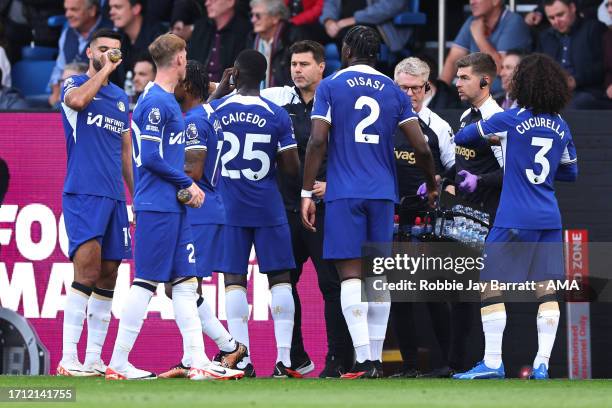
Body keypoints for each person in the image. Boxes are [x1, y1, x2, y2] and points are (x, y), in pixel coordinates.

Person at [302, 25, 437, 379]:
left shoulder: (331, 85)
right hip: (382, 193)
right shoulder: (394, 91)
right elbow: (421, 146)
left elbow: (317, 141)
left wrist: (306, 191)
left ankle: (363, 361)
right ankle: (375, 359)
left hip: (345, 191)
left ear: (347, 51)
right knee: (377, 279)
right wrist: (432, 183)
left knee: (350, 277)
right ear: (377, 55)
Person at [105, 33, 241, 381]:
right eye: (185, 55)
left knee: (184, 283)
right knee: (146, 281)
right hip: (157, 205)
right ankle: (118, 362)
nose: (187, 61)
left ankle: (196, 360)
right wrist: (187, 183)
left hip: (171, 206)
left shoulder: (164, 100)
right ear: (179, 59)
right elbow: (150, 158)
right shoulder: (157, 103)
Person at [453, 53, 578, 380]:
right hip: (549, 216)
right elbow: (571, 172)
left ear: (521, 83)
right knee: (546, 289)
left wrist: (497, 139)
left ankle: (493, 362)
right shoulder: (561, 125)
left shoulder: (510, 118)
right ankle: (542, 364)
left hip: (513, 215)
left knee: (491, 284)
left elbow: (463, 137)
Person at [259, 40, 353, 377]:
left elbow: (355, 153)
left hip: (325, 206)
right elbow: (238, 96)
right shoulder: (278, 101)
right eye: (294, 64)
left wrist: (334, 184)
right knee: (284, 282)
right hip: (285, 209)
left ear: (321, 67)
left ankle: (339, 359)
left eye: (304, 64)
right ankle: (295, 356)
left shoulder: (338, 104)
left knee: (332, 284)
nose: (297, 70)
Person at [210, 49, 301, 378]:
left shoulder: (216, 110)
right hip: (267, 205)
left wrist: (219, 91)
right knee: (279, 279)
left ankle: (242, 360)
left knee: (234, 280)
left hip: (229, 206)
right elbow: (292, 168)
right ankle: (284, 361)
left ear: (234, 73)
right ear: (264, 77)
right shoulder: (277, 114)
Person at [158, 60, 248, 379]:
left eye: (178, 81)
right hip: (207, 207)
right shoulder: (206, 113)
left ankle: (221, 349)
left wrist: (157, 175)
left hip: (199, 208)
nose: (173, 87)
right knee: (181, 285)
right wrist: (217, 88)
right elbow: (207, 102)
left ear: (188, 87)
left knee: (181, 284)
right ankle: (211, 351)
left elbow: (192, 172)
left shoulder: (195, 121)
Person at [56, 28, 132, 377]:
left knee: (109, 274)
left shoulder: (120, 97)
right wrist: (103, 70)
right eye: (103, 50)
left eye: (115, 52)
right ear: (90, 51)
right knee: (85, 270)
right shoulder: (74, 85)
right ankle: (67, 358)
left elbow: (125, 152)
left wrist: (138, 195)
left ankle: (93, 359)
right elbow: (77, 103)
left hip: (115, 195)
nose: (110, 56)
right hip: (84, 192)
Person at [390, 57, 456, 378]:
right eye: (402, 88)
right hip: (390, 219)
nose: (409, 94)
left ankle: (447, 364)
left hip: (428, 222)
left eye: (415, 88)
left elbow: (454, 172)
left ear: (427, 87)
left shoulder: (439, 127)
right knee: (399, 297)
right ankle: (410, 365)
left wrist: (438, 185)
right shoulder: (382, 124)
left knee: (434, 294)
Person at [439, 0, 531, 88]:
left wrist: (479, 37)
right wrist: (439, 94)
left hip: (501, 99)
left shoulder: (513, 22)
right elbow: (453, 60)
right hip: (475, 97)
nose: (472, 2)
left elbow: (501, 69)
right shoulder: (472, 21)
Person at [538, 0, 610, 109]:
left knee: (574, 104)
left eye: (560, 15)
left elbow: (602, 67)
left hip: (588, 92)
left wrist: (575, 80)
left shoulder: (594, 29)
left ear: (572, 8)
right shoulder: (545, 38)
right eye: (551, 18)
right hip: (554, 93)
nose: (556, 21)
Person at [48, 0, 113, 107]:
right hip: (68, 96)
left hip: (99, 99)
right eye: (66, 9)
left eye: (74, 9)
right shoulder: (66, 33)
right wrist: (56, 92)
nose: (67, 14)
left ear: (92, 10)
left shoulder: (111, 32)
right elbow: (59, 68)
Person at [187, 0, 251, 83]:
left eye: (213, 0)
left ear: (230, 2)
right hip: (197, 91)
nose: (207, 3)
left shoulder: (244, 31)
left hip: (229, 92)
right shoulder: (201, 27)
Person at [108, 0, 166, 86]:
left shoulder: (160, 39)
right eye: (111, 7)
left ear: (136, 8)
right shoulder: (117, 40)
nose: (111, 12)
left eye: (118, 7)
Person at [320, 0, 412, 53]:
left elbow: (390, 6)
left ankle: (353, 79)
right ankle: (315, 84)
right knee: (308, 31)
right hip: (339, 24)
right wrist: (328, 20)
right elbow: (331, 3)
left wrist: (355, 19)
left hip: (378, 24)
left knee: (354, 34)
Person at [249, 0, 292, 88]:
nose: (253, 20)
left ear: (275, 17)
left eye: (258, 15)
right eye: (251, 15)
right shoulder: (251, 38)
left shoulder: (291, 38)